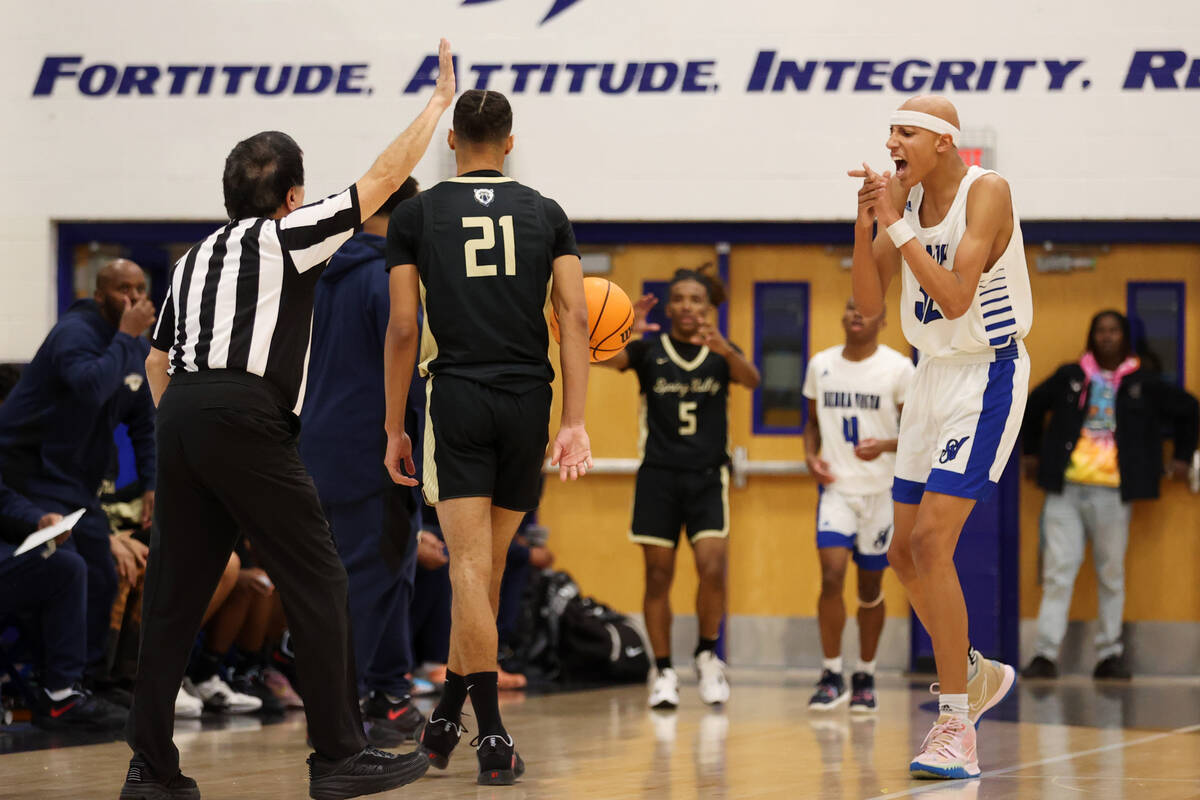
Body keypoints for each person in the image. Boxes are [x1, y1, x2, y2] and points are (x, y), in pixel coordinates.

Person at [121, 38, 457, 800]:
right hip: (246, 413)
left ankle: (150, 768)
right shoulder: (290, 235)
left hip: (182, 419)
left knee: (173, 597)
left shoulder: (193, 257)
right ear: (294, 197)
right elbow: (381, 180)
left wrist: (191, 426)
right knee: (320, 576)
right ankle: (340, 755)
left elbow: (154, 362)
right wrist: (435, 105)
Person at [383, 87, 593, 786]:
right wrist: (575, 422)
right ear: (508, 141)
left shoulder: (414, 216)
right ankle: (447, 713)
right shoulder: (547, 212)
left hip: (461, 396)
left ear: (451, 142)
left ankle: (493, 735)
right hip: (529, 399)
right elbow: (573, 319)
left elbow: (405, 327)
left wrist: (393, 425)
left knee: (470, 569)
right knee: (487, 567)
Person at [848, 94, 1032, 779]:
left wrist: (895, 226)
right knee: (902, 552)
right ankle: (975, 672)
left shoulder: (987, 191)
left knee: (932, 541)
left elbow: (956, 298)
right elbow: (868, 307)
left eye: (906, 132)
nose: (892, 141)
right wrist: (866, 221)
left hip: (989, 372)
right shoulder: (903, 203)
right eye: (890, 131)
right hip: (931, 376)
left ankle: (957, 722)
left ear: (944, 143)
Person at [300, 176, 427, 746]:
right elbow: (409, 367)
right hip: (374, 450)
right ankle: (339, 718)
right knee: (371, 579)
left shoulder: (319, 276)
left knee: (389, 572)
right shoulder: (389, 280)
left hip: (315, 449)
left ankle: (389, 692)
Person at [600, 265, 760, 711]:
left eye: (696, 299)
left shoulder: (720, 354)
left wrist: (725, 348)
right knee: (657, 575)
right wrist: (620, 325)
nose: (687, 306)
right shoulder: (649, 351)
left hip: (709, 478)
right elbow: (601, 357)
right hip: (658, 478)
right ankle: (664, 669)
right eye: (680, 299)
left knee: (712, 566)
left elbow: (753, 379)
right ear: (669, 307)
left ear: (709, 308)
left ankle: (708, 655)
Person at [0, 260, 157, 698]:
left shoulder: (132, 348)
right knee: (93, 574)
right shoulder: (75, 333)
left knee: (100, 577)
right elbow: (90, 386)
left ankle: (83, 683)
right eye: (124, 288)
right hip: (29, 473)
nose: (135, 297)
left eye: (140, 288)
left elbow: (144, 422)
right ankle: (66, 686)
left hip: (72, 479)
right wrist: (127, 336)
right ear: (99, 293)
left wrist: (152, 483)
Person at [1021, 310, 1198, 680]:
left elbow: (1189, 410)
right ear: (1091, 336)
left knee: (1111, 573)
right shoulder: (1070, 376)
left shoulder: (1143, 382)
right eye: (1100, 330)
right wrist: (1032, 453)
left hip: (1114, 493)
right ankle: (1045, 654)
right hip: (1066, 490)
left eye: (1113, 330)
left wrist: (1182, 458)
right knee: (1058, 572)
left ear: (1125, 337)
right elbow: (1031, 406)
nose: (1106, 337)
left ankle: (1109, 654)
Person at [802, 299, 913, 712]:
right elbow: (811, 425)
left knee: (870, 588)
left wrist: (884, 445)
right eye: (849, 306)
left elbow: (922, 432)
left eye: (864, 309)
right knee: (831, 575)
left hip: (882, 493)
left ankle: (865, 672)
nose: (855, 313)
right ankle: (831, 672)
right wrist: (810, 458)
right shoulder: (821, 365)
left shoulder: (900, 368)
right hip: (837, 490)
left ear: (884, 320)